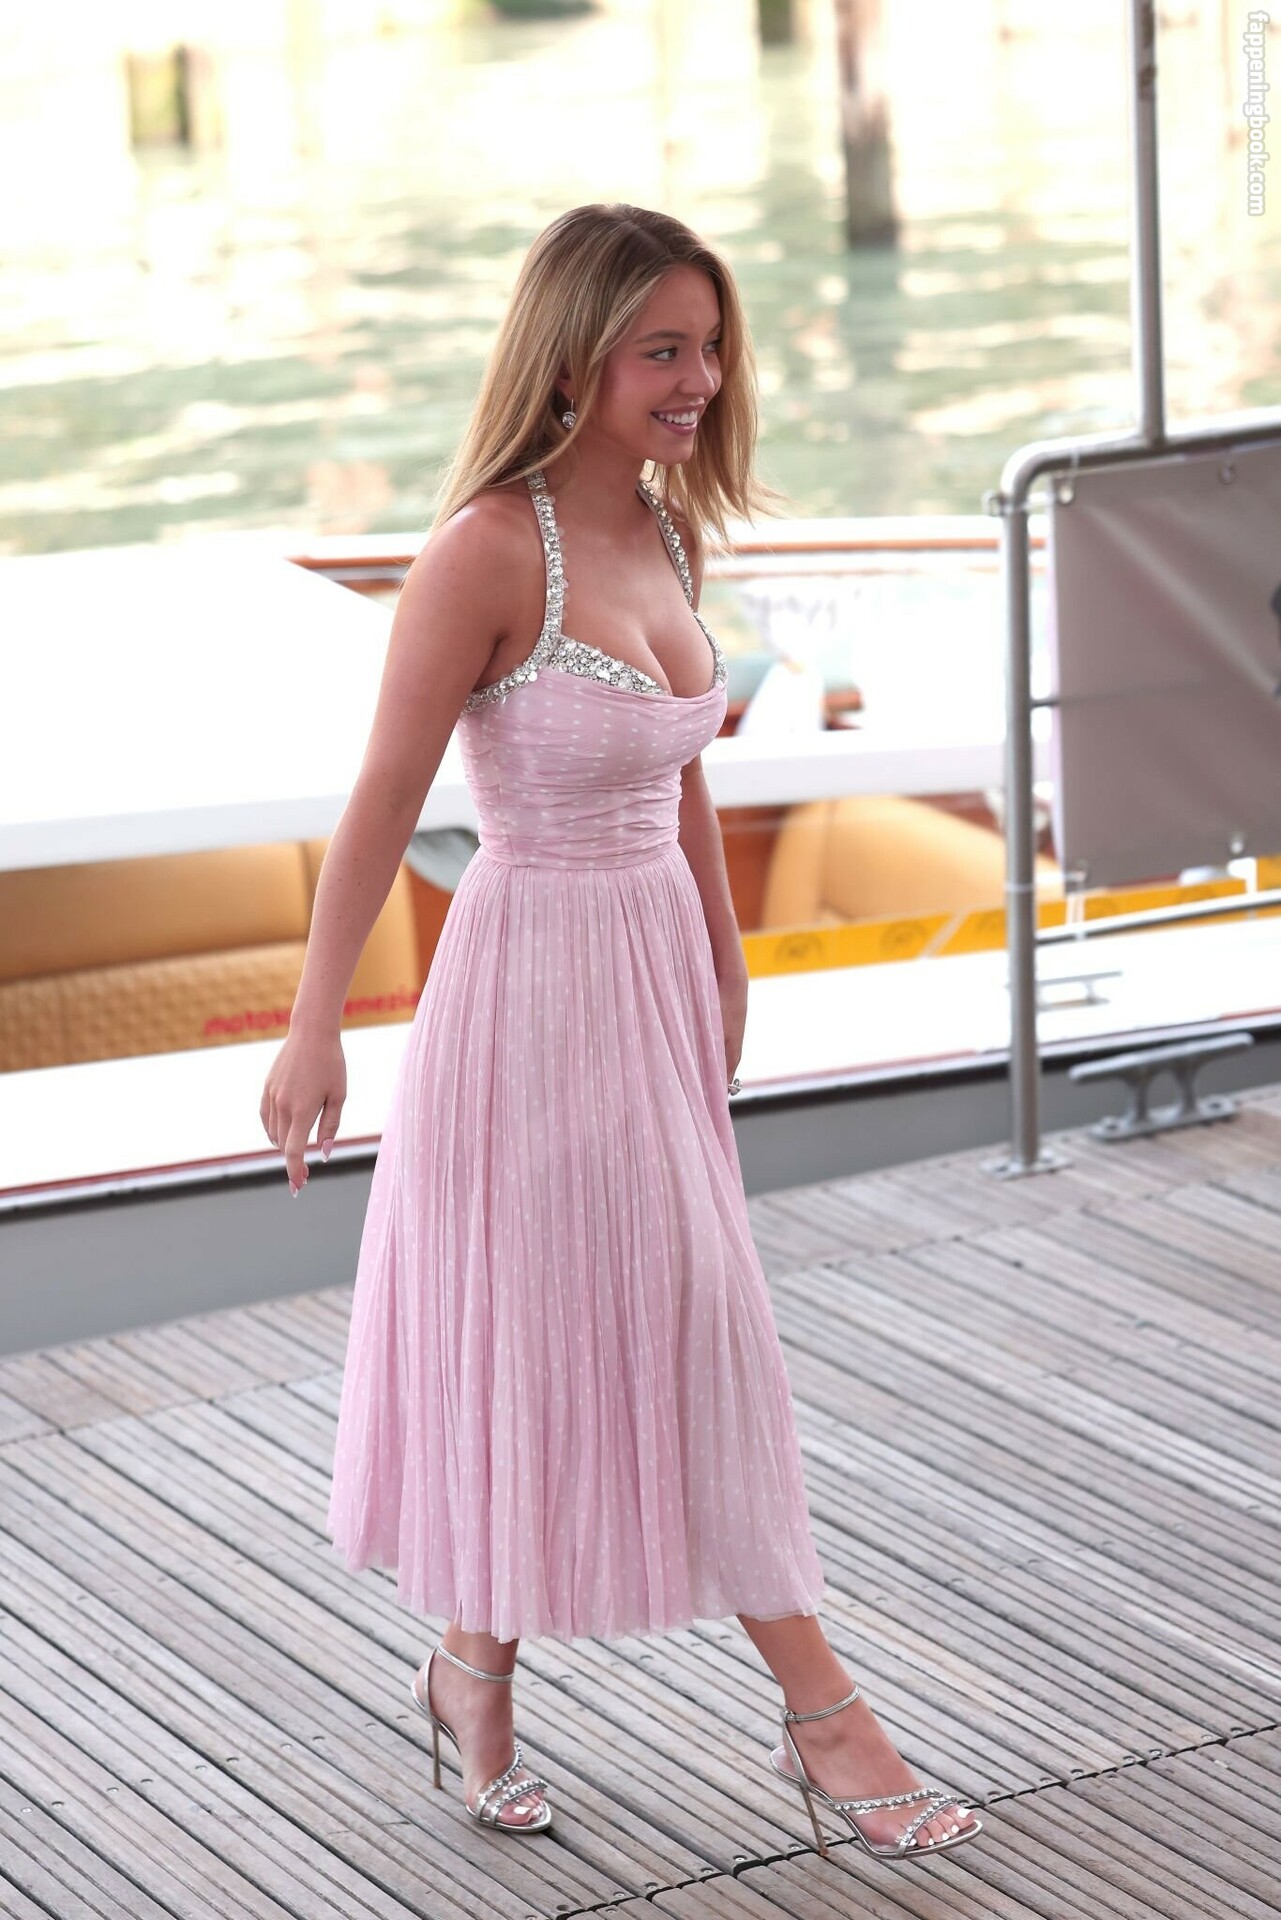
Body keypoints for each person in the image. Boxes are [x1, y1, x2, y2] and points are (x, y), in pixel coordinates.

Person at [260, 203, 982, 1862]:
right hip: (528, 993)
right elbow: (382, 797)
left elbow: (679, 765)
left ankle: (469, 1671)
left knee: (624, 1317)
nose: (698, 379)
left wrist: (726, 962)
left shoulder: (661, 525)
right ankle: (826, 1719)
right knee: (660, 1322)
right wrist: (314, 1028)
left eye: (709, 346)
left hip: (652, 974)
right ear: (571, 358)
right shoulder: (484, 550)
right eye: (662, 350)